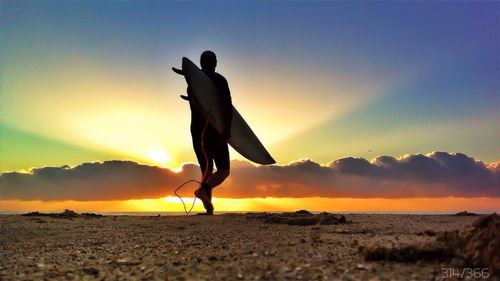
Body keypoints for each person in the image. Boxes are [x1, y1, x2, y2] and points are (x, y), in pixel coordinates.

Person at [172, 51, 232, 215]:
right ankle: (203, 191)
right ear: (215, 63)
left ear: (200, 63)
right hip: (213, 130)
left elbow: (196, 103)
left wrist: (189, 78)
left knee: (207, 170)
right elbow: (227, 106)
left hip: (197, 132)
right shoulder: (219, 80)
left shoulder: (193, 83)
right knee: (224, 170)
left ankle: (209, 208)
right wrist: (226, 128)